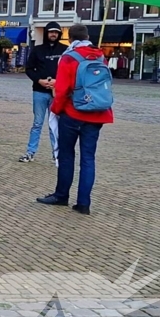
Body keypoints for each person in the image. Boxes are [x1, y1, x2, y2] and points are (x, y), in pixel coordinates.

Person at [36, 23, 114, 215]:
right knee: (88, 158)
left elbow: (62, 90)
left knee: (66, 155)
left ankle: (61, 195)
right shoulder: (100, 55)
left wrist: (55, 109)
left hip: (73, 112)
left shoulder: (69, 57)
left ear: (69, 38)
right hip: (97, 113)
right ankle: (84, 203)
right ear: (88, 36)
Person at [19, 21, 67, 164]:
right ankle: (30, 152)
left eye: (56, 32)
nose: (53, 34)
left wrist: (58, 82)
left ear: (59, 34)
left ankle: (57, 154)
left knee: (55, 124)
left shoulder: (65, 50)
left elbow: (69, 71)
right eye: (51, 32)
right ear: (46, 33)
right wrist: (39, 80)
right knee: (37, 123)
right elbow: (29, 69)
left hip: (57, 93)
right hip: (39, 91)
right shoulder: (37, 50)